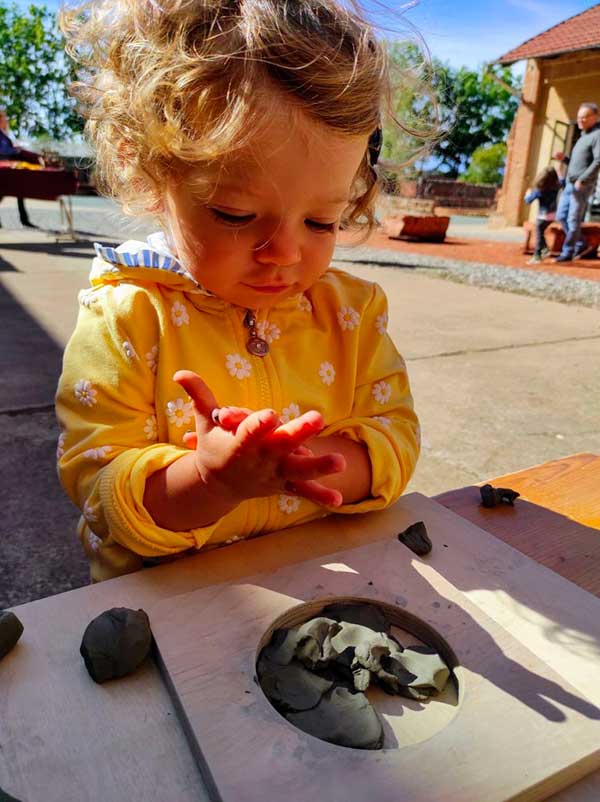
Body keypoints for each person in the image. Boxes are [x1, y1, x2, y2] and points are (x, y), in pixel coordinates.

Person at [55, 0, 421, 582]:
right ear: (149, 173)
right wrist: (211, 481)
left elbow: (395, 434)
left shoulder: (350, 313)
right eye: (234, 214)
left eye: (322, 222)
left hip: (317, 581)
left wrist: (303, 468)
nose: (285, 253)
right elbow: (99, 488)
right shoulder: (126, 315)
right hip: (169, 604)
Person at [553, 102, 600, 262]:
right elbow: (578, 162)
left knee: (573, 219)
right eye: (579, 117)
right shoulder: (583, 136)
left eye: (584, 117)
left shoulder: (597, 135)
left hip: (582, 185)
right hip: (569, 184)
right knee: (561, 216)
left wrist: (583, 179)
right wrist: (564, 159)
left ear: (595, 117)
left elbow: (598, 161)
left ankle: (567, 252)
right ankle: (581, 243)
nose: (580, 120)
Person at [0, 108, 43, 228]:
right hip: (4, 169)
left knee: (18, 191)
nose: (6, 121)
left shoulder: (3, 134)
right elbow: (2, 150)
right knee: (17, 190)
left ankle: (24, 219)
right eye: (5, 119)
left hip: (7, 168)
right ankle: (24, 220)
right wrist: (16, 149)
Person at [524, 166, 563, 263]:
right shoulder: (556, 187)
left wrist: (527, 193)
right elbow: (563, 182)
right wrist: (559, 173)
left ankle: (537, 256)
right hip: (553, 215)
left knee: (539, 235)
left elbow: (528, 201)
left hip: (543, 216)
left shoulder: (540, 190)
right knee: (541, 233)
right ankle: (545, 249)